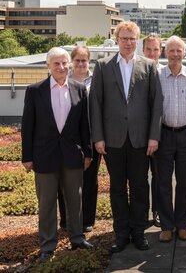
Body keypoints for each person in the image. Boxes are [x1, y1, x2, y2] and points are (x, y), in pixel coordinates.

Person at [90, 21, 163, 253]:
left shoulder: (149, 66)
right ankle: (121, 234)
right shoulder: (103, 66)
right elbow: (96, 104)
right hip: (113, 139)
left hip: (141, 140)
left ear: (137, 40)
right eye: (124, 38)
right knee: (118, 188)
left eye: (132, 39)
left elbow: (156, 104)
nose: (129, 43)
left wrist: (154, 137)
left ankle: (139, 232)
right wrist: (98, 137)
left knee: (140, 187)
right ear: (117, 39)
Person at [21, 47, 94, 261]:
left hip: (72, 155)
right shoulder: (35, 90)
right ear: (48, 66)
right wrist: (27, 156)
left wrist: (87, 154)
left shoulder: (79, 89)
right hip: (44, 156)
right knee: (46, 203)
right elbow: (28, 126)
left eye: (64, 63)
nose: (61, 67)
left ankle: (77, 238)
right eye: (56, 64)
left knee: (75, 200)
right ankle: (47, 244)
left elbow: (84, 126)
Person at [156, 36, 186, 242]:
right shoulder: (156, 76)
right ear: (166, 52)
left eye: (179, 51)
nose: (175, 54)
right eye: (172, 50)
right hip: (163, 134)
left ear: (184, 53)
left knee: (185, 181)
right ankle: (166, 226)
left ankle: (182, 225)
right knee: (162, 182)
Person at [58, 45, 101, 233]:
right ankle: (67, 220)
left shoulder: (97, 81)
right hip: (69, 139)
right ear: (71, 62)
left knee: (89, 179)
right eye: (77, 60)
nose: (81, 64)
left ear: (89, 61)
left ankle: (87, 220)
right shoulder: (63, 81)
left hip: (91, 136)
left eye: (84, 60)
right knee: (65, 180)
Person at [142, 33, 163, 228]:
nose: (152, 53)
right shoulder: (136, 71)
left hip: (159, 134)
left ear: (160, 50)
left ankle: (158, 212)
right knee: (140, 177)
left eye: (155, 49)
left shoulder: (165, 72)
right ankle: (142, 214)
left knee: (159, 176)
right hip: (138, 134)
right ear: (143, 50)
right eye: (148, 49)